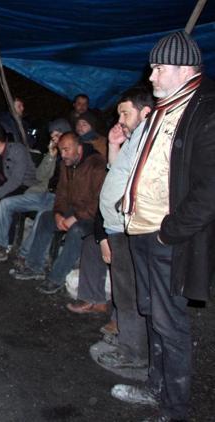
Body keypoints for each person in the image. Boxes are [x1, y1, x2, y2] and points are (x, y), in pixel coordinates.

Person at [112, 31, 215, 421]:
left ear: (185, 68)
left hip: (167, 237)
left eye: (159, 68)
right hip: (140, 229)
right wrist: (129, 202)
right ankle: (156, 386)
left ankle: (175, 410)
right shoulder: (163, 108)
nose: (151, 76)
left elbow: (209, 189)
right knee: (152, 312)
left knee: (170, 323)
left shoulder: (206, 109)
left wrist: (170, 231)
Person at [88, 87, 153, 371]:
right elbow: (119, 173)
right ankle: (130, 341)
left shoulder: (148, 139)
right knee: (124, 290)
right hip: (117, 228)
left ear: (145, 112)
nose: (121, 120)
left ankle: (134, 354)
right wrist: (114, 146)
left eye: (126, 113)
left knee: (128, 292)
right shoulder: (134, 138)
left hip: (130, 229)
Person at [11, 133, 106, 295]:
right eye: (61, 151)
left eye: (67, 150)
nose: (63, 155)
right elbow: (61, 193)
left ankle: (57, 277)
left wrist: (75, 218)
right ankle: (35, 266)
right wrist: (58, 213)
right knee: (46, 218)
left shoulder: (97, 165)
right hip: (73, 210)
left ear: (79, 148)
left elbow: (99, 202)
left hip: (94, 216)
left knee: (76, 231)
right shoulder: (66, 164)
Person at [0, 119, 67, 260]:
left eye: (58, 135)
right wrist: (50, 156)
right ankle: (0, 247)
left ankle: (25, 256)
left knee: (42, 216)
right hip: (41, 194)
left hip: (58, 199)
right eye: (53, 136)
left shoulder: (73, 158)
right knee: (5, 203)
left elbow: (17, 180)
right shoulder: (55, 154)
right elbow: (40, 176)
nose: (55, 139)